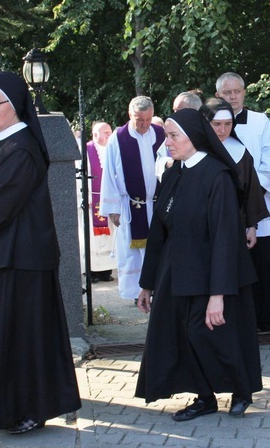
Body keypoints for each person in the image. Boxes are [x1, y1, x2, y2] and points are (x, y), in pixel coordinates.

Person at [0, 71, 81, 434]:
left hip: (20, 265)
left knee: (23, 342)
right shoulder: (5, 143)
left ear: (16, 105)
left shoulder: (21, 148)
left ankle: (29, 409)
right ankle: (6, 408)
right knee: (6, 340)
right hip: (4, 260)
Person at [134, 109, 262, 421]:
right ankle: (204, 397)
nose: (168, 142)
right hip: (179, 271)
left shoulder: (217, 176)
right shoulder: (175, 172)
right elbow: (159, 231)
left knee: (219, 336)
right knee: (183, 335)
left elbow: (225, 238)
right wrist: (147, 284)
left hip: (217, 272)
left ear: (194, 137)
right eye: (167, 135)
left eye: (174, 135)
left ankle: (241, 390)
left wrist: (218, 294)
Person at [216, 72, 270, 332]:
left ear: (244, 92)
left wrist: (250, 189)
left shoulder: (260, 121)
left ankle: (263, 314)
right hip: (222, 201)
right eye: (227, 93)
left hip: (256, 198)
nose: (233, 96)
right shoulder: (210, 122)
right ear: (218, 95)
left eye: (237, 91)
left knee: (261, 257)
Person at [100, 96, 165, 300]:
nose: (145, 125)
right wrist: (113, 209)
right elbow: (109, 173)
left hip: (157, 204)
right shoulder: (118, 138)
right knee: (134, 254)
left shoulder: (161, 134)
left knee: (159, 248)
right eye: (139, 120)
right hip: (132, 206)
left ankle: (158, 289)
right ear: (130, 115)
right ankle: (138, 293)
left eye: (148, 119)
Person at [199, 97, 269, 249]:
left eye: (228, 124)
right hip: (199, 227)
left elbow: (251, 192)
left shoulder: (240, 152)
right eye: (217, 124)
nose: (223, 130)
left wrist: (251, 227)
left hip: (234, 224)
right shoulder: (192, 151)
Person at [79, 121, 116, 283]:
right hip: (92, 202)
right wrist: (84, 197)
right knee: (92, 239)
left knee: (109, 236)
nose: (109, 134)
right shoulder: (86, 150)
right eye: (106, 132)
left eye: (110, 131)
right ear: (95, 135)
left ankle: (105, 271)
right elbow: (80, 176)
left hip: (109, 200)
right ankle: (91, 271)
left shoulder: (113, 149)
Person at [155, 90, 205, 180]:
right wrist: (168, 163)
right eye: (174, 110)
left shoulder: (205, 135)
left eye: (178, 110)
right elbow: (159, 160)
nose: (175, 114)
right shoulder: (171, 132)